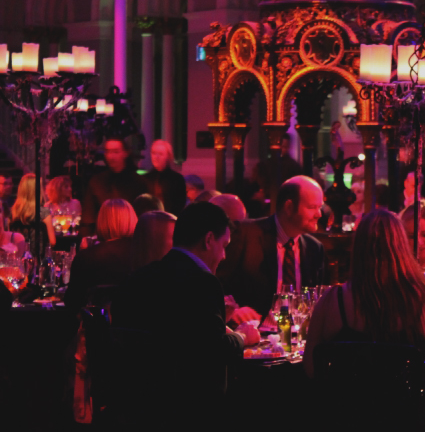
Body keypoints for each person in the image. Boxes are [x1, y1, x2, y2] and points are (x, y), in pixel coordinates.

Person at [111, 202, 259, 426]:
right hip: (190, 412)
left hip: (137, 405)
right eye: (224, 245)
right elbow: (214, 351)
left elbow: (172, 331)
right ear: (209, 240)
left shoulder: (139, 278)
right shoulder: (203, 282)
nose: (225, 255)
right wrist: (243, 336)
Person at [304, 209, 425, 378]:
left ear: (359, 248)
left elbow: (311, 367)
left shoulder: (333, 300)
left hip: (347, 403)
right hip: (406, 403)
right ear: (402, 247)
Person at [217, 176, 327, 321]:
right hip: (250, 335)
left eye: (320, 207)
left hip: (296, 337)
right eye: (312, 207)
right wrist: (232, 309)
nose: (319, 214)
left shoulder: (314, 248)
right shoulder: (245, 234)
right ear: (289, 207)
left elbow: (318, 301)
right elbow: (214, 285)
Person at [63, 199, 138, 313]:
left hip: (97, 325)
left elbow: (72, 301)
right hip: (135, 323)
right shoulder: (142, 253)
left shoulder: (87, 256)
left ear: (101, 221)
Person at [81, 138, 148, 236]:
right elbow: (88, 219)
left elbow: (145, 218)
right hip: (102, 240)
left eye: (116, 152)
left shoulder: (139, 183)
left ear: (125, 153)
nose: (111, 156)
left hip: (130, 240)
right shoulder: (96, 182)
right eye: (108, 151)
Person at [9, 173, 55, 251]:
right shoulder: (43, 213)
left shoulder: (12, 212)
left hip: (16, 256)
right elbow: (52, 242)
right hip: (38, 258)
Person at [143, 139, 187, 216]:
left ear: (168, 156)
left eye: (160, 154)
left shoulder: (177, 180)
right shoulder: (145, 179)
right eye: (153, 153)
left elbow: (179, 206)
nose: (156, 157)